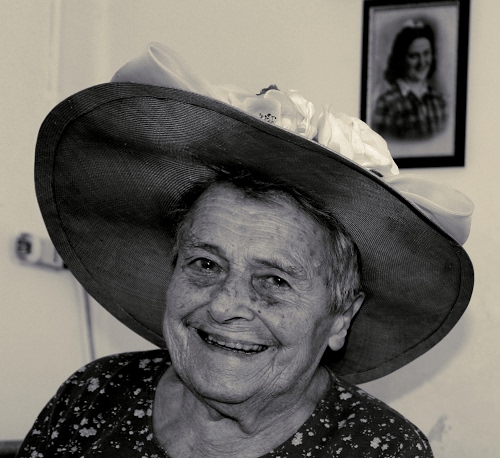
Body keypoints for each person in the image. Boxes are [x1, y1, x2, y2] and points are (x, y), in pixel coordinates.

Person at [17, 43, 474, 457]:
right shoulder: (92, 397)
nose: (224, 306)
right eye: (205, 264)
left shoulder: (383, 450)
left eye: (273, 280)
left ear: (340, 317)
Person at [372, 20, 448, 139]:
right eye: (414, 56)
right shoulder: (386, 104)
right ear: (400, 59)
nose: (422, 62)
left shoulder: (439, 100)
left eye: (426, 54)